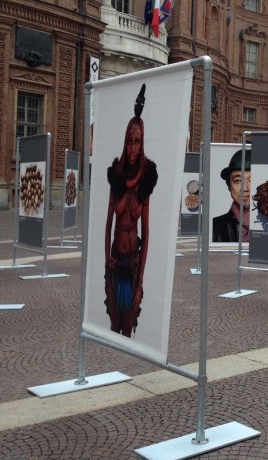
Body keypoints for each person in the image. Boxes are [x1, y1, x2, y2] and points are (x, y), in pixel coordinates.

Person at [104, 84, 158, 337]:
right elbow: (107, 225)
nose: (133, 148)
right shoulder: (116, 179)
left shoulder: (145, 183)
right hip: (116, 260)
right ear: (125, 144)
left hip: (133, 263)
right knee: (114, 320)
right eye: (129, 142)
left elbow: (146, 237)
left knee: (129, 321)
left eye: (137, 142)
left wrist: (141, 280)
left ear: (142, 143)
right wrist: (106, 256)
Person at [212, 149, 251, 242]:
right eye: (237, 181)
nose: (245, 188)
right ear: (229, 186)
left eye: (251, 180)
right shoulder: (215, 226)